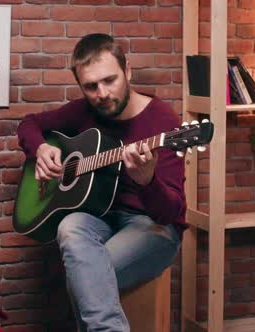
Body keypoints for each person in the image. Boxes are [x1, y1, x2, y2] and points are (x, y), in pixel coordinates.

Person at [16, 33, 187, 332]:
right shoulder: (86, 110)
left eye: (110, 80)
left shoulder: (162, 122)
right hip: (101, 219)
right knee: (69, 228)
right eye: (91, 86)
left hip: (152, 227)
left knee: (84, 274)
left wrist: (148, 182)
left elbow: (171, 214)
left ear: (128, 71)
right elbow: (29, 123)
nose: (102, 93)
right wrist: (41, 149)